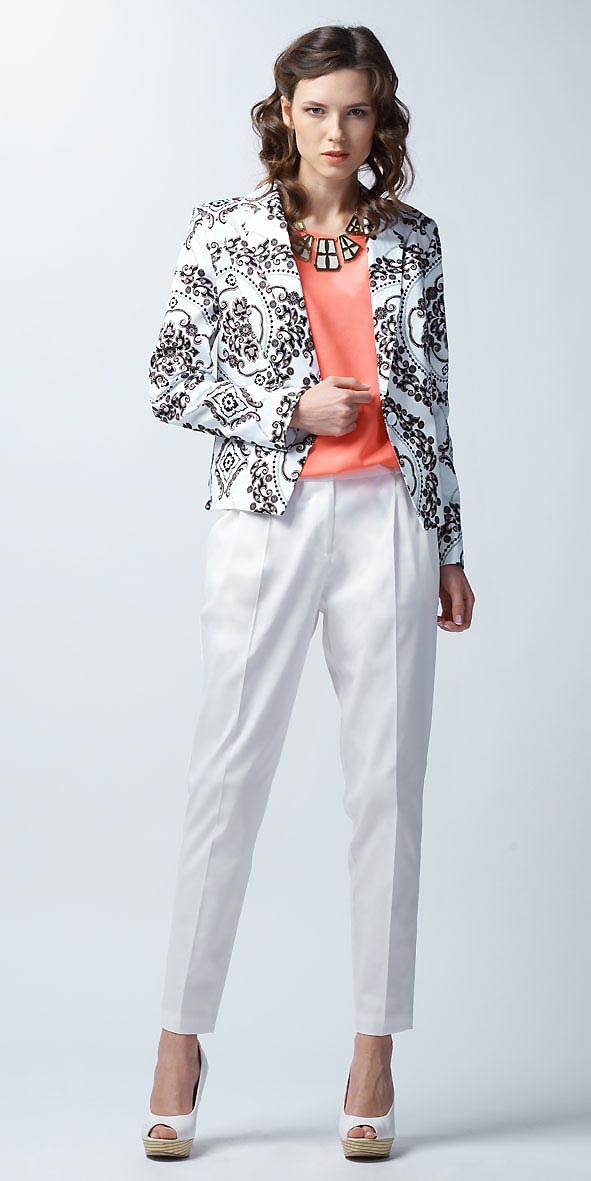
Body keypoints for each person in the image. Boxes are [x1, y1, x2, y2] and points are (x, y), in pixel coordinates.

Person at [141, 23, 475, 1162]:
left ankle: (373, 1053)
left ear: (382, 120)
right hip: (264, 518)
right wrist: (288, 406)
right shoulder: (223, 232)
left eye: (358, 110)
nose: (339, 132)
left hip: (391, 518)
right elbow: (170, 377)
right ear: (284, 111)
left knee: (386, 788)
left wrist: (450, 542)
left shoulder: (415, 240)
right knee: (225, 777)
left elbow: (433, 398)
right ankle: (179, 1042)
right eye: (319, 108)